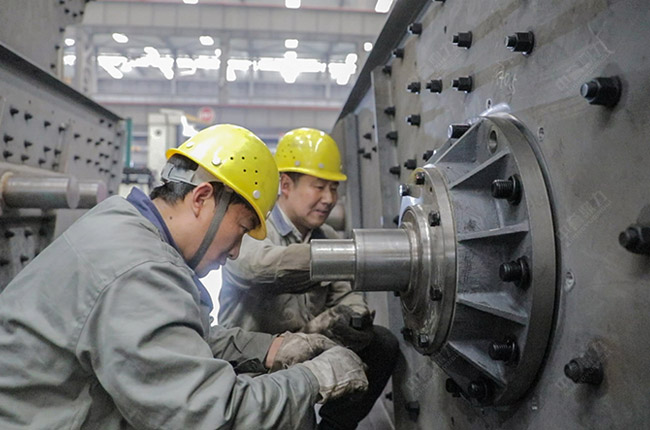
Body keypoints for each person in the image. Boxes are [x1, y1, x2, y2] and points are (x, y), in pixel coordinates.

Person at [0, 124, 368, 429]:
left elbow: (178, 334)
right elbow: (209, 415)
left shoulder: (123, 222)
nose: (236, 251)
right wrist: (313, 378)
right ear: (201, 198)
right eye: (241, 229)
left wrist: (270, 349)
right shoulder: (140, 270)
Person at [219, 127, 399, 430]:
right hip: (256, 356)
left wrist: (354, 315)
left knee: (381, 344)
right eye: (319, 187)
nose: (329, 199)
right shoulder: (255, 227)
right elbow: (255, 268)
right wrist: (339, 257)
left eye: (334, 188)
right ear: (286, 185)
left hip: (310, 343)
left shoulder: (328, 237)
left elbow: (345, 293)